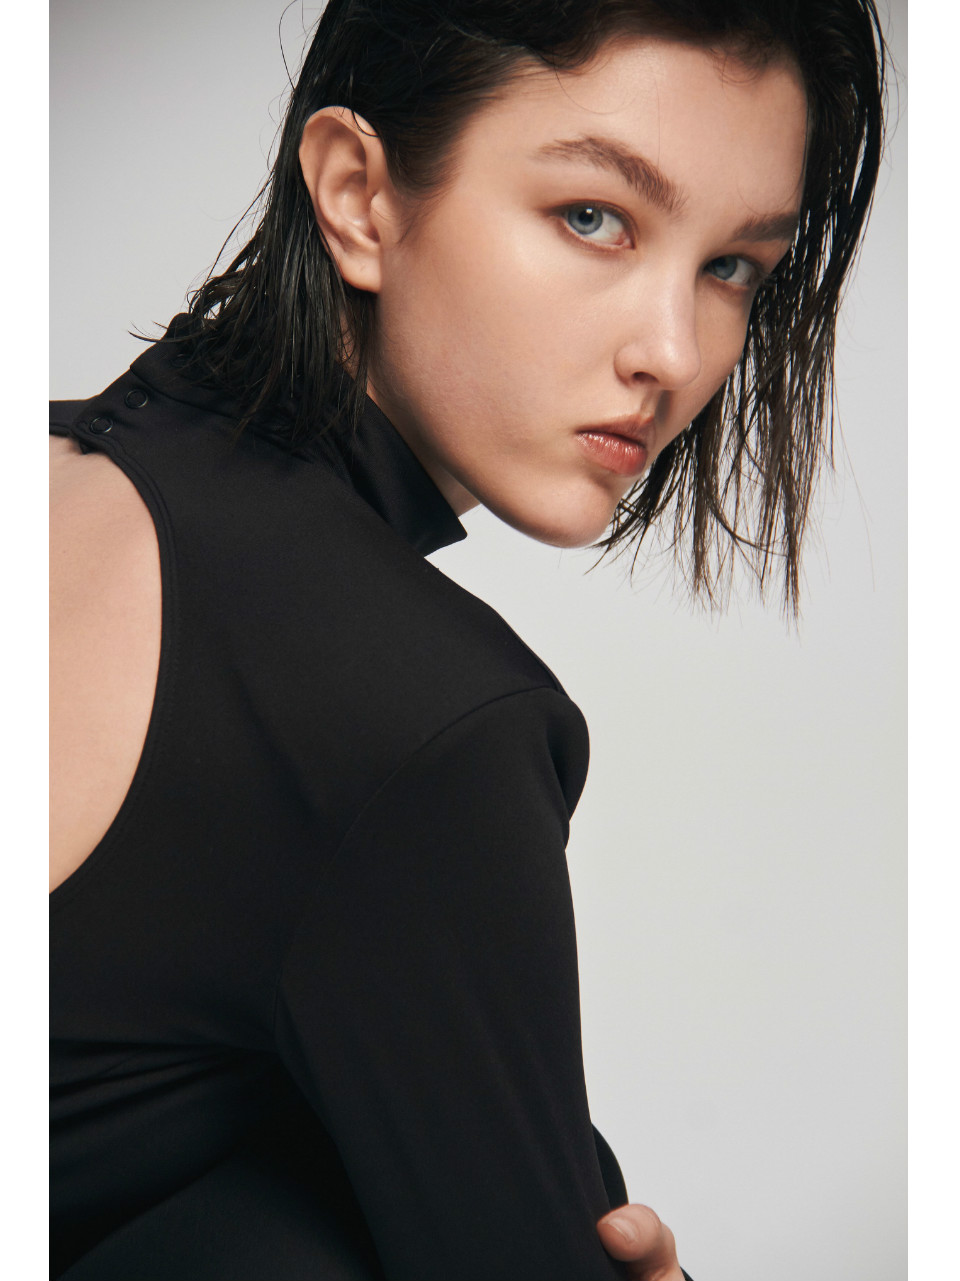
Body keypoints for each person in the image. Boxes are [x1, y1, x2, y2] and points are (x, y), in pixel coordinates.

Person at [49, 1, 887, 1278]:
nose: (672, 351)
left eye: (733, 267)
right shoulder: (421, 727)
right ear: (358, 194)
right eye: (593, 217)